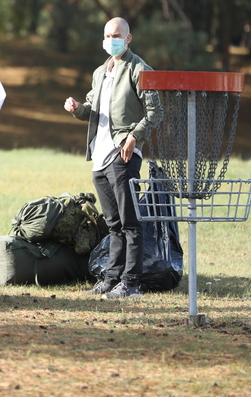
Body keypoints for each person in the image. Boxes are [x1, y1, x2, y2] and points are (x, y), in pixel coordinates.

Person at [64, 17, 162, 300]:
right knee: (113, 224)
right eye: (107, 35)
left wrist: (134, 137)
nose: (111, 40)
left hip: (123, 154)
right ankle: (111, 279)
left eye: (117, 35)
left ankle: (131, 284)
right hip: (100, 157)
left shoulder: (140, 69)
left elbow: (156, 112)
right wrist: (76, 108)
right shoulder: (100, 72)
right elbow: (90, 109)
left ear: (128, 38)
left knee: (130, 223)